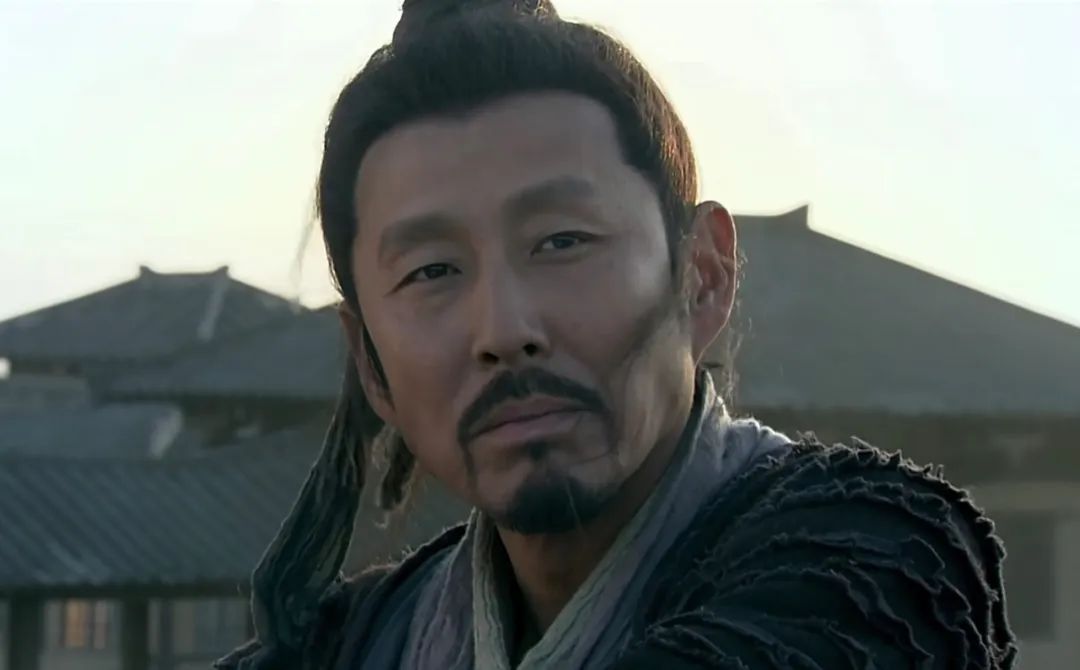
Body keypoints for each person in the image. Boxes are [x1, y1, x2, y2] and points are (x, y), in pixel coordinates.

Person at [217, 1, 1016, 668]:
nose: (504, 331)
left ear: (702, 273)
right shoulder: (363, 642)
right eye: (431, 271)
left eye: (562, 241)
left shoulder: (877, 565)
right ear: (370, 364)